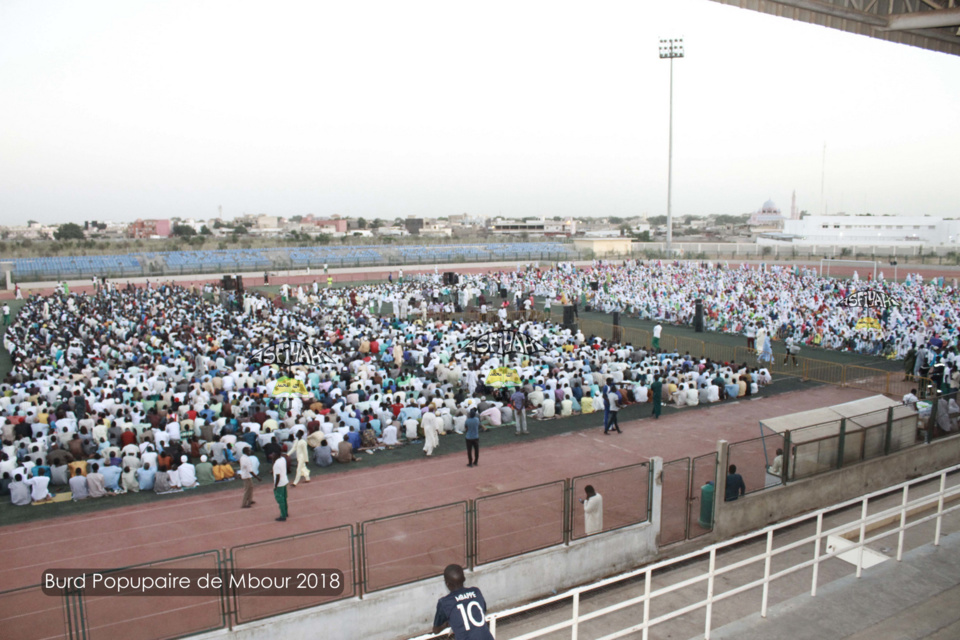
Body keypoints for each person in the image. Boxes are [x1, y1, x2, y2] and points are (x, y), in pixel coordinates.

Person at [431, 564, 495, 640]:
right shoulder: (476, 592)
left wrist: (447, 624)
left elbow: (436, 630)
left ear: (447, 584)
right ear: (464, 579)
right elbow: (482, 611)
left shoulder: (444, 602)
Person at [271, 452, 289, 522]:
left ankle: (283, 515)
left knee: (280, 499)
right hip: (284, 480)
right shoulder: (282, 459)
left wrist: (275, 485)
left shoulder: (276, 464)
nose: (272, 455)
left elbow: (278, 476)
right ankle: (286, 512)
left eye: (273, 454)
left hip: (280, 483)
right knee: (284, 498)